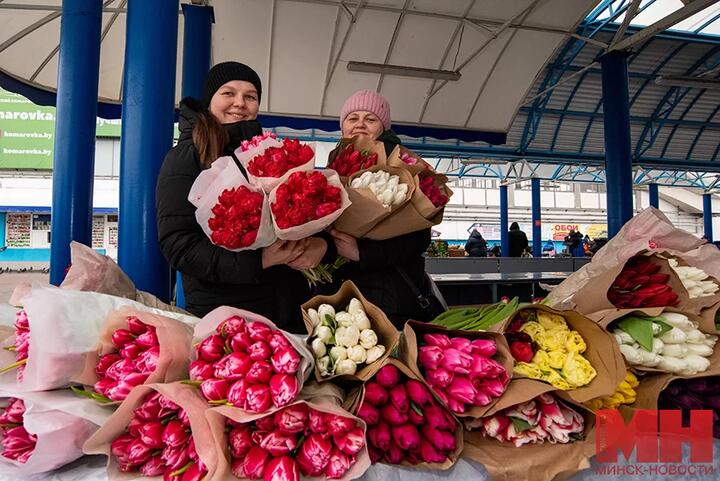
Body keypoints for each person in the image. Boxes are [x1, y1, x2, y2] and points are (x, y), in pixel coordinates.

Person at [155, 62, 335, 331]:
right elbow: (178, 244)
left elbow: (310, 213)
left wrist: (322, 247)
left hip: (290, 308)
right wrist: (258, 261)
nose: (240, 103)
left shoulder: (270, 152)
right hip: (227, 318)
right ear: (209, 100)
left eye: (250, 96)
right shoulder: (188, 156)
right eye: (228, 93)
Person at [328, 90, 438, 328]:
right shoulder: (335, 164)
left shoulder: (403, 166)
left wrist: (362, 252)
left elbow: (420, 235)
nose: (360, 125)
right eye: (352, 118)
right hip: (341, 292)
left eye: (370, 119)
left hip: (387, 296)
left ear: (383, 126)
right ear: (343, 125)